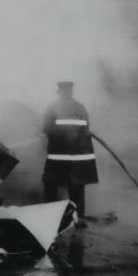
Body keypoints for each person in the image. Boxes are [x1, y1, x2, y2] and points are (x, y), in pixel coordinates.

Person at [42, 81, 98, 223]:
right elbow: (86, 128)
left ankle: (50, 219)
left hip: (58, 159)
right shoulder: (80, 108)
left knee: (51, 186)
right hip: (79, 160)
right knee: (77, 188)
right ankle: (79, 219)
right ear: (71, 92)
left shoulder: (52, 107)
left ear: (59, 92)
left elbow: (47, 130)